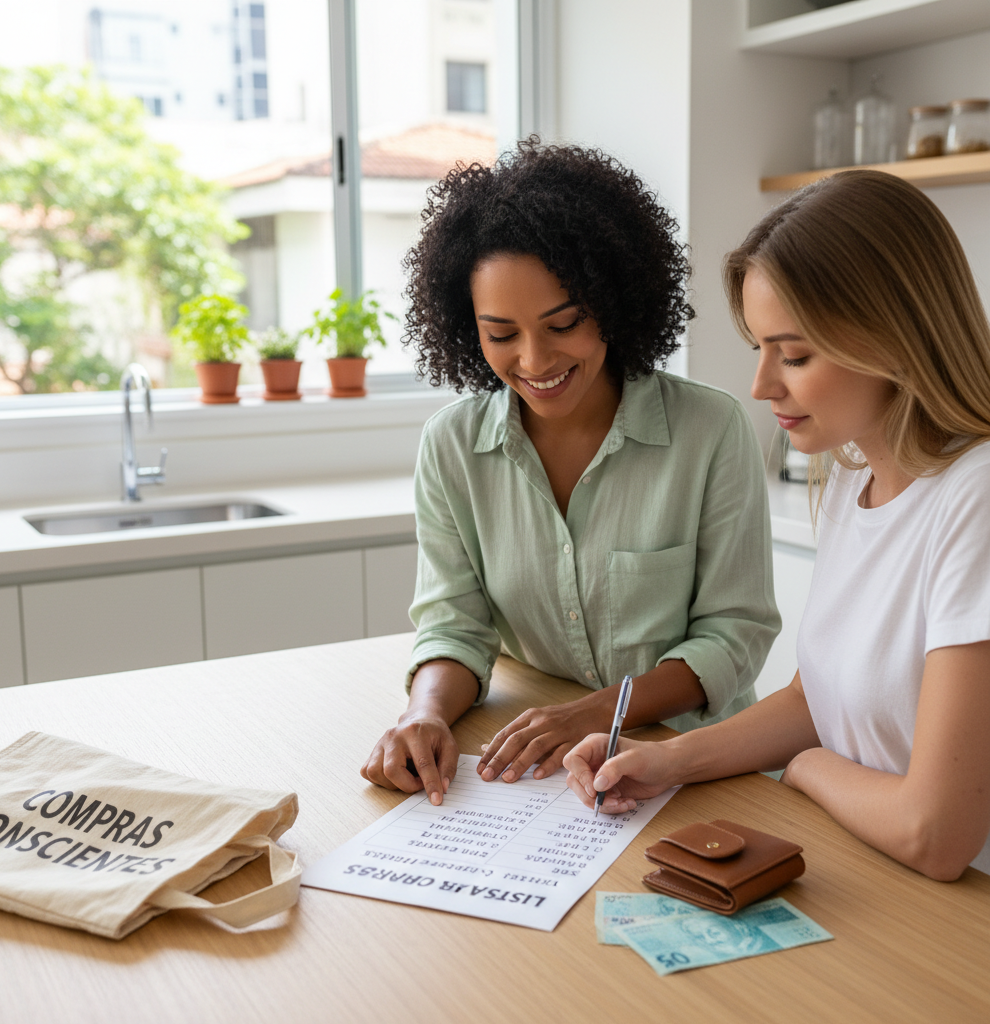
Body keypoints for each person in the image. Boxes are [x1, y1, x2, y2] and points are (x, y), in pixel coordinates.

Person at [564, 169, 990, 880]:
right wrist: (668, 759)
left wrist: (808, 768)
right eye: (760, 349)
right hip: (870, 871)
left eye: (793, 355)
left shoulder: (974, 497)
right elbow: (818, 697)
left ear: (894, 338)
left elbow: (935, 834)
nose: (762, 385)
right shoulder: (856, 471)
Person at [361, 139, 780, 806]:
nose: (534, 359)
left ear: (613, 303)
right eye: (501, 334)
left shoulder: (709, 432)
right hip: (546, 776)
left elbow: (734, 638)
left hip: (696, 764)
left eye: (564, 323)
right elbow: (455, 624)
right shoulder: (452, 447)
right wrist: (426, 714)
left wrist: (592, 714)